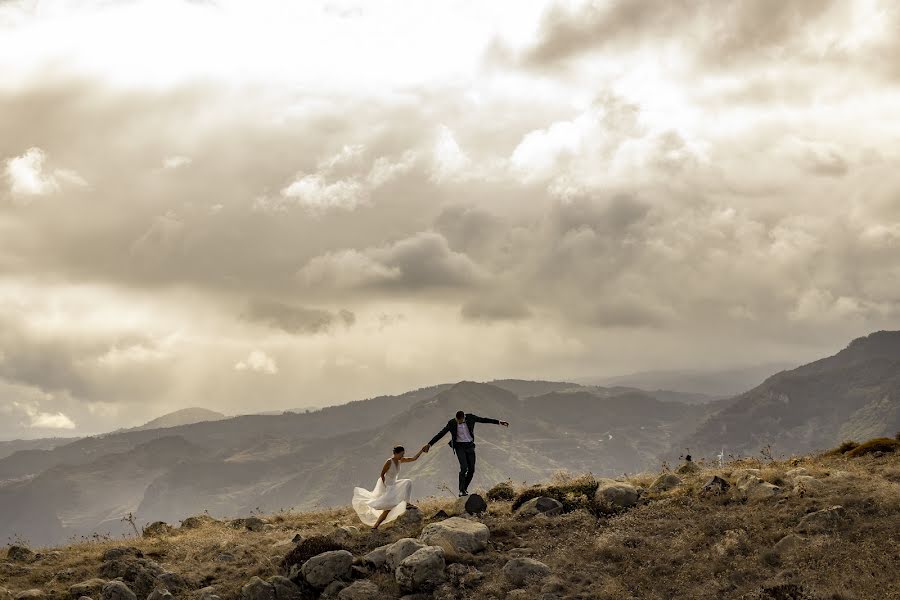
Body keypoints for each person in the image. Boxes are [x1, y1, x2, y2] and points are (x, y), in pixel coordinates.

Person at [423, 410, 509, 497]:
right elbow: (441, 433)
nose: (458, 422)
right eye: (457, 420)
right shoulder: (452, 422)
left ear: (464, 417)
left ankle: (464, 489)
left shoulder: (471, 417)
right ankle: (461, 490)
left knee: (471, 470)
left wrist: (498, 422)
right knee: (464, 468)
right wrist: (429, 444)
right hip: (459, 447)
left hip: (470, 446)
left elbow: (484, 420)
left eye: (460, 421)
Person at [352, 445, 424, 529]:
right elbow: (382, 474)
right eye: (401, 454)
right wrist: (384, 487)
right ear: (396, 454)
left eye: (403, 454)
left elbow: (414, 459)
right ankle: (375, 526)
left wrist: (422, 450)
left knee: (408, 482)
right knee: (387, 509)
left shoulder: (400, 460)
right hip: (389, 486)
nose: (403, 456)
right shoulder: (389, 462)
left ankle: (407, 503)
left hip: (395, 484)